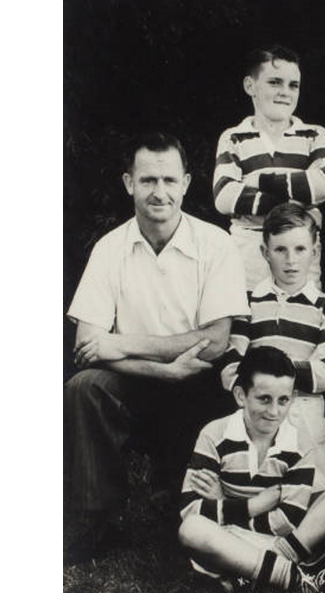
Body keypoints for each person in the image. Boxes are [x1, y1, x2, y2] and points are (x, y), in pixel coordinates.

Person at [64, 132, 250, 564]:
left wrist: (120, 343)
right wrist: (160, 369)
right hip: (137, 381)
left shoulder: (215, 244)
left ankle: (193, 507)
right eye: (148, 180)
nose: (159, 192)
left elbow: (215, 340)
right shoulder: (109, 248)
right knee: (85, 386)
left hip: (198, 381)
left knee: (224, 383)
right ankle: (97, 520)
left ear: (186, 183)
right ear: (129, 183)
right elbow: (86, 345)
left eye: (169, 180)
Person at [178, 346, 325, 593]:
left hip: (274, 541)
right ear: (240, 396)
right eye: (264, 399)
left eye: (283, 400)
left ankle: (252, 574)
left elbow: (288, 520)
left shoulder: (300, 443)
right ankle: (299, 577)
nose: (274, 412)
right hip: (230, 538)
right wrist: (253, 506)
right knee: (192, 529)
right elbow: (189, 508)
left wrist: (223, 504)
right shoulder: (214, 434)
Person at [219, 202, 325, 475]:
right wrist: (271, 386)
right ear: (265, 252)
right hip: (256, 414)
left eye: (300, 249)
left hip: (306, 415)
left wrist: (268, 372)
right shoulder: (247, 304)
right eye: (280, 250)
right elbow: (230, 370)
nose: (291, 260)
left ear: (315, 250)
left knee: (313, 494)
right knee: (256, 487)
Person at [213, 45, 325, 290]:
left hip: (300, 252)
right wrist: (297, 206)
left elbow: (324, 184)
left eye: (293, 85)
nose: (285, 92)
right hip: (247, 252)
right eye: (275, 82)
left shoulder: (314, 134)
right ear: (250, 86)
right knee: (248, 321)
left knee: (301, 321)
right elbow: (224, 197)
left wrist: (256, 181)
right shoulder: (234, 137)